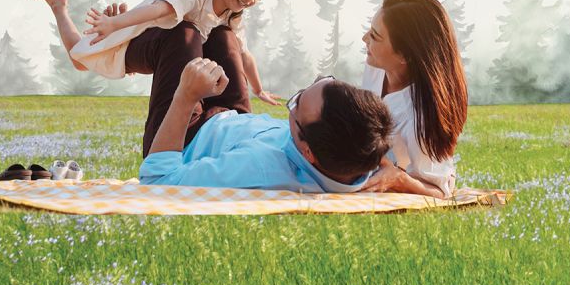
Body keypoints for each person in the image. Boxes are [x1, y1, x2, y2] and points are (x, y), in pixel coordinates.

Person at [33, 0, 280, 157]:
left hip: (171, 48)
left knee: (222, 37)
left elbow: (244, 56)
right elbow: (160, 9)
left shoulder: (233, 16)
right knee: (81, 58)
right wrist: (115, 24)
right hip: (140, 40)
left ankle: (233, 126)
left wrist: (257, 89)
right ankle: (59, 8)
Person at [139, 56, 393, 191]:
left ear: (308, 153)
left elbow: (158, 179)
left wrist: (185, 95)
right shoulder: (360, 152)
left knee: (183, 34)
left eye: (297, 103)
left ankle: (113, 44)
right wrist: (400, 177)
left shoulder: (258, 167)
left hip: (190, 130)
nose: (295, 99)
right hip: (235, 118)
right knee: (225, 33)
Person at [347, 0, 469, 197]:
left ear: (405, 55)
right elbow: (392, 8)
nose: (364, 39)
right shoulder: (384, 61)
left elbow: (440, 190)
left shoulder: (419, 121)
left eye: (374, 36)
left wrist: (399, 180)